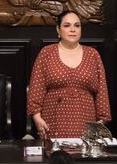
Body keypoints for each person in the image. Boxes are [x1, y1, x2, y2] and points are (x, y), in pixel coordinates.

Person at [27, 10, 111, 139]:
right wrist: (37, 118)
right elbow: (36, 89)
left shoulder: (92, 55)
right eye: (67, 25)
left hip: (85, 121)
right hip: (53, 122)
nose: (73, 29)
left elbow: (102, 91)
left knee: (82, 157)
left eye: (77, 25)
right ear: (58, 30)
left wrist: (101, 122)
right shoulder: (46, 53)